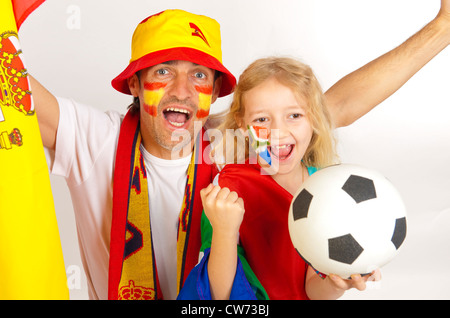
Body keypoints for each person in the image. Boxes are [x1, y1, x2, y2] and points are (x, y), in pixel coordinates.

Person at [29, 2, 449, 300]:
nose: (181, 91)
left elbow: (332, 108)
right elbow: (15, 91)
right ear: (135, 85)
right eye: (162, 72)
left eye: (198, 75)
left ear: (213, 90)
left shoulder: (232, 141)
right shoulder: (93, 137)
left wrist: (441, 29)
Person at [181, 56, 380, 300]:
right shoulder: (228, 188)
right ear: (243, 126)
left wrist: (336, 283)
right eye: (262, 119)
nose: (278, 131)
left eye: (294, 115)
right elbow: (217, 296)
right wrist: (224, 230)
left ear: (314, 119)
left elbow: (311, 290)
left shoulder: (327, 188)